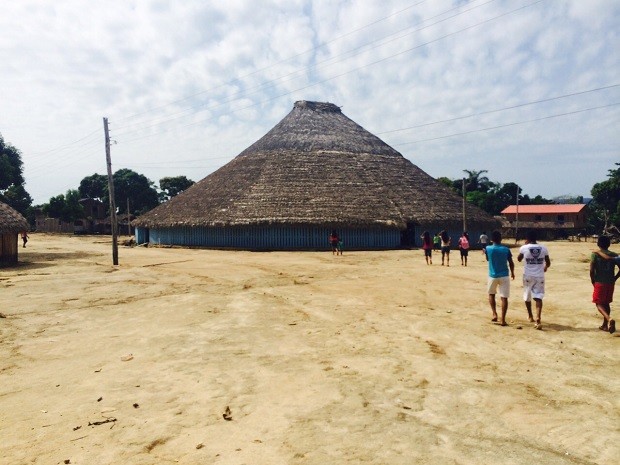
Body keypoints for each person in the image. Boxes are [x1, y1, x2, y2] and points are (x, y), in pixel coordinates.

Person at [517, 230, 551, 330]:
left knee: (527, 296)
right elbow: (548, 262)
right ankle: (538, 318)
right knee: (538, 297)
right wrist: (545, 267)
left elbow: (519, 259)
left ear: (527, 238)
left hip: (528, 275)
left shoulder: (524, 248)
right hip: (539, 276)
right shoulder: (543, 248)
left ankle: (530, 316)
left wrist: (525, 249)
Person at [590, 235, 619, 334]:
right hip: (610, 282)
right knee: (606, 303)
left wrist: (592, 280)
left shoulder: (595, 254)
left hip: (600, 281)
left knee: (598, 303)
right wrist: (615, 278)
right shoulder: (614, 255)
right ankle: (605, 325)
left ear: (598, 244)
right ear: (609, 244)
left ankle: (609, 319)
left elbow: (591, 269)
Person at [486, 230, 515, 326]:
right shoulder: (506, 249)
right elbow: (511, 262)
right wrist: (513, 273)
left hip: (492, 275)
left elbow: (487, 259)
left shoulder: (488, 248)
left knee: (491, 294)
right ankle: (503, 319)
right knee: (504, 298)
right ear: (500, 239)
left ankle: (494, 314)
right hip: (504, 275)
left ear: (491, 239)